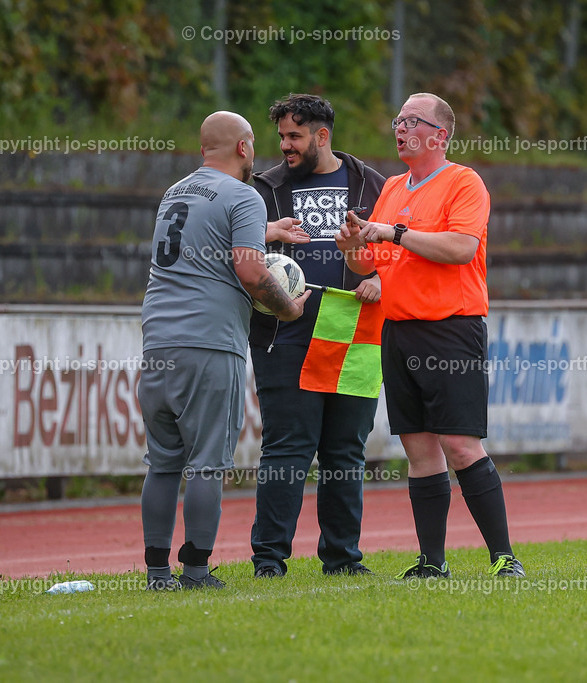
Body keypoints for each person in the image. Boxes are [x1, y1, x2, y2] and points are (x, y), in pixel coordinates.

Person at [335, 92, 525, 578]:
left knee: (461, 445)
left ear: (440, 136)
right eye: (397, 120)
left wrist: (391, 232)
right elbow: (367, 264)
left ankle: (505, 558)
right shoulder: (394, 188)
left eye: (412, 121)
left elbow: (461, 248)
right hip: (398, 330)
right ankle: (431, 562)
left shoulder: (464, 181)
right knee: (419, 450)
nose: (400, 128)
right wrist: (354, 246)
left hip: (451, 330)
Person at [140, 111, 309, 590]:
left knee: (163, 461)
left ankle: (157, 572)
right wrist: (289, 312)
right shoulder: (244, 195)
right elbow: (252, 273)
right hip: (210, 341)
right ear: (243, 148)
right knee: (207, 463)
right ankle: (195, 569)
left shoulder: (174, 193)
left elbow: (205, 243)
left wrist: (266, 231)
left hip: (159, 340)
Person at [249, 94, 387, 578]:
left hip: (354, 331)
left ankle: (343, 560)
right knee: (287, 448)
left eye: (295, 137)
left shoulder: (374, 185)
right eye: (282, 137)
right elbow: (239, 250)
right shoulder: (263, 188)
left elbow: (398, 252)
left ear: (322, 136)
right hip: (284, 334)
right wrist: (269, 237)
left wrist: (380, 278)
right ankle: (269, 560)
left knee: (345, 451)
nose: (285, 146)